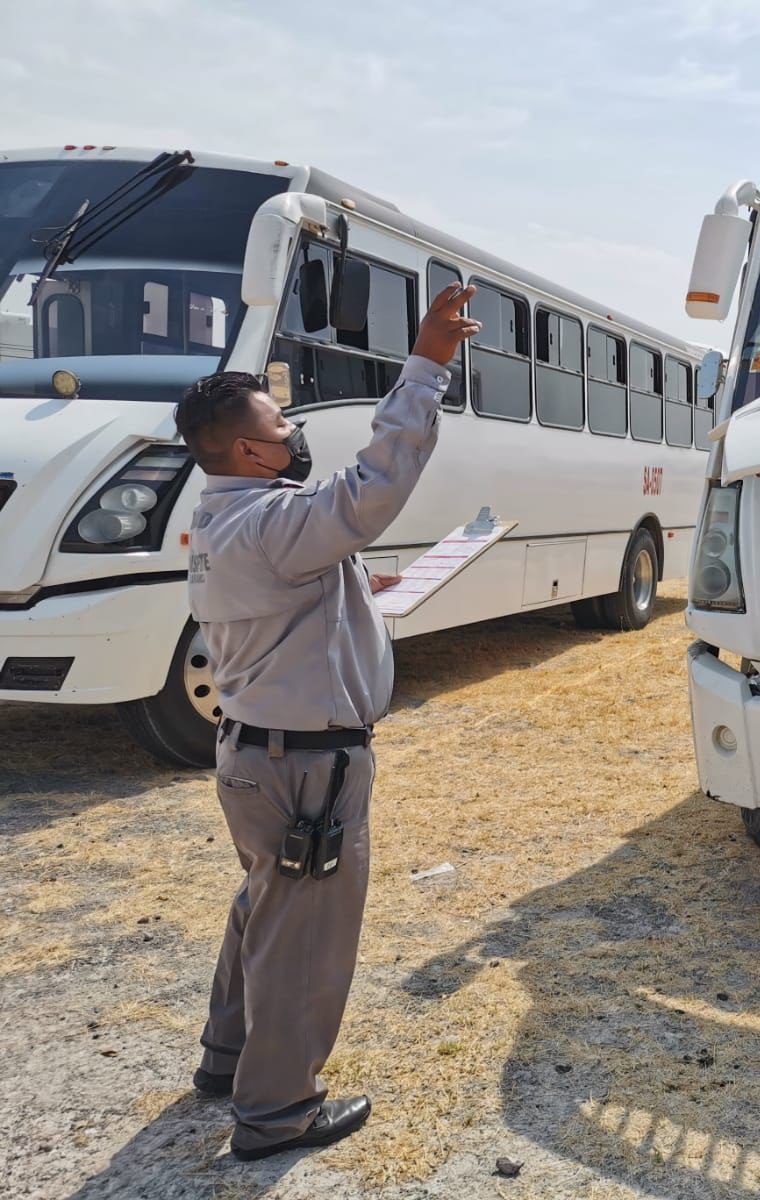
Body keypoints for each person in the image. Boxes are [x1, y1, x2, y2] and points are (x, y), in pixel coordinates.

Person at [173, 283, 479, 1160]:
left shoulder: (225, 519)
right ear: (244, 450)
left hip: (256, 758)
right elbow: (374, 484)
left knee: (263, 909)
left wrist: (359, 593)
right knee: (303, 938)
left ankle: (227, 1060)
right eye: (279, 430)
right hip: (307, 767)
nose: (292, 438)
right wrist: (425, 366)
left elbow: (291, 600)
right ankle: (276, 1115)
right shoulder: (272, 524)